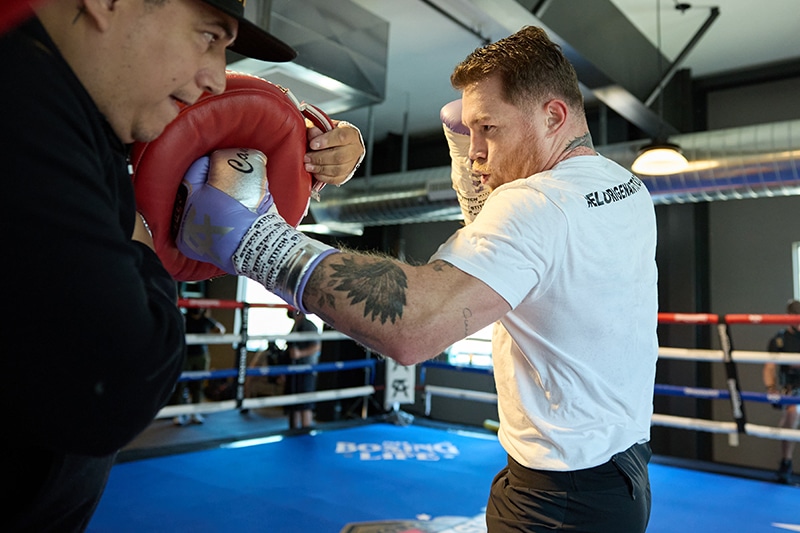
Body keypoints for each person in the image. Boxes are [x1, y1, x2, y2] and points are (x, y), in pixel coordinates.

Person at [177, 25, 659, 532]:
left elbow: (415, 324)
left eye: (488, 128)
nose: (474, 150)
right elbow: (524, 262)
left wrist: (255, 242)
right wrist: (481, 161)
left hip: (559, 503)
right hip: (619, 477)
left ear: (553, 115)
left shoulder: (536, 203)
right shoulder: (623, 185)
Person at [0, 0, 364, 529]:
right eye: (209, 37)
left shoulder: (75, 115)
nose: (217, 77)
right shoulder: (25, 110)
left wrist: (312, 150)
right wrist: (141, 236)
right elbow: (119, 385)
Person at [763, 299, 800, 484]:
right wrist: (771, 388)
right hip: (792, 387)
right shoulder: (780, 339)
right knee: (791, 414)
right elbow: (769, 367)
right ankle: (786, 462)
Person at [174, 307, 225, 426]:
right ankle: (179, 414)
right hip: (186, 355)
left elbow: (221, 330)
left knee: (199, 385)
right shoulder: (184, 319)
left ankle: (195, 412)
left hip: (201, 355)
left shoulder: (206, 320)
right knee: (181, 385)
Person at [285, 309, 323, 429]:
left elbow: (316, 346)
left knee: (305, 404)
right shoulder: (296, 325)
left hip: (306, 369)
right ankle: (293, 433)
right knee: (293, 404)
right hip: (294, 369)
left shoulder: (308, 325)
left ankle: (305, 433)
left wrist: (300, 354)